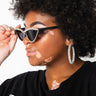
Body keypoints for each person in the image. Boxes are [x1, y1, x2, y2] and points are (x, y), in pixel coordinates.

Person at [0, 0, 96, 96]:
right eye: (24, 32)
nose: (26, 41)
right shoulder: (16, 87)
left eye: (34, 31)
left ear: (69, 35)